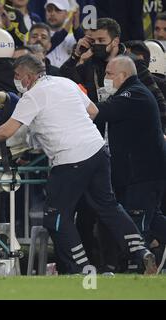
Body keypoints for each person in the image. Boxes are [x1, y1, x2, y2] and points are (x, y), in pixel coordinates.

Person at [0, 54, 158, 274]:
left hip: (70, 158)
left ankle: (82, 268)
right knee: (108, 206)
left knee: (56, 216)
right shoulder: (66, 82)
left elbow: (6, 131)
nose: (15, 80)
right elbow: (93, 112)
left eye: (17, 75)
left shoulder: (32, 96)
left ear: (28, 76)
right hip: (97, 150)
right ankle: (140, 251)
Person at [93, 56, 166, 270]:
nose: (105, 78)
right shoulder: (132, 93)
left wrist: (75, 99)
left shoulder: (134, 93)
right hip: (140, 174)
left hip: (144, 174)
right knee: (152, 220)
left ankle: (141, 265)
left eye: (109, 74)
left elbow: (100, 112)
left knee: (138, 223)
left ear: (123, 75)